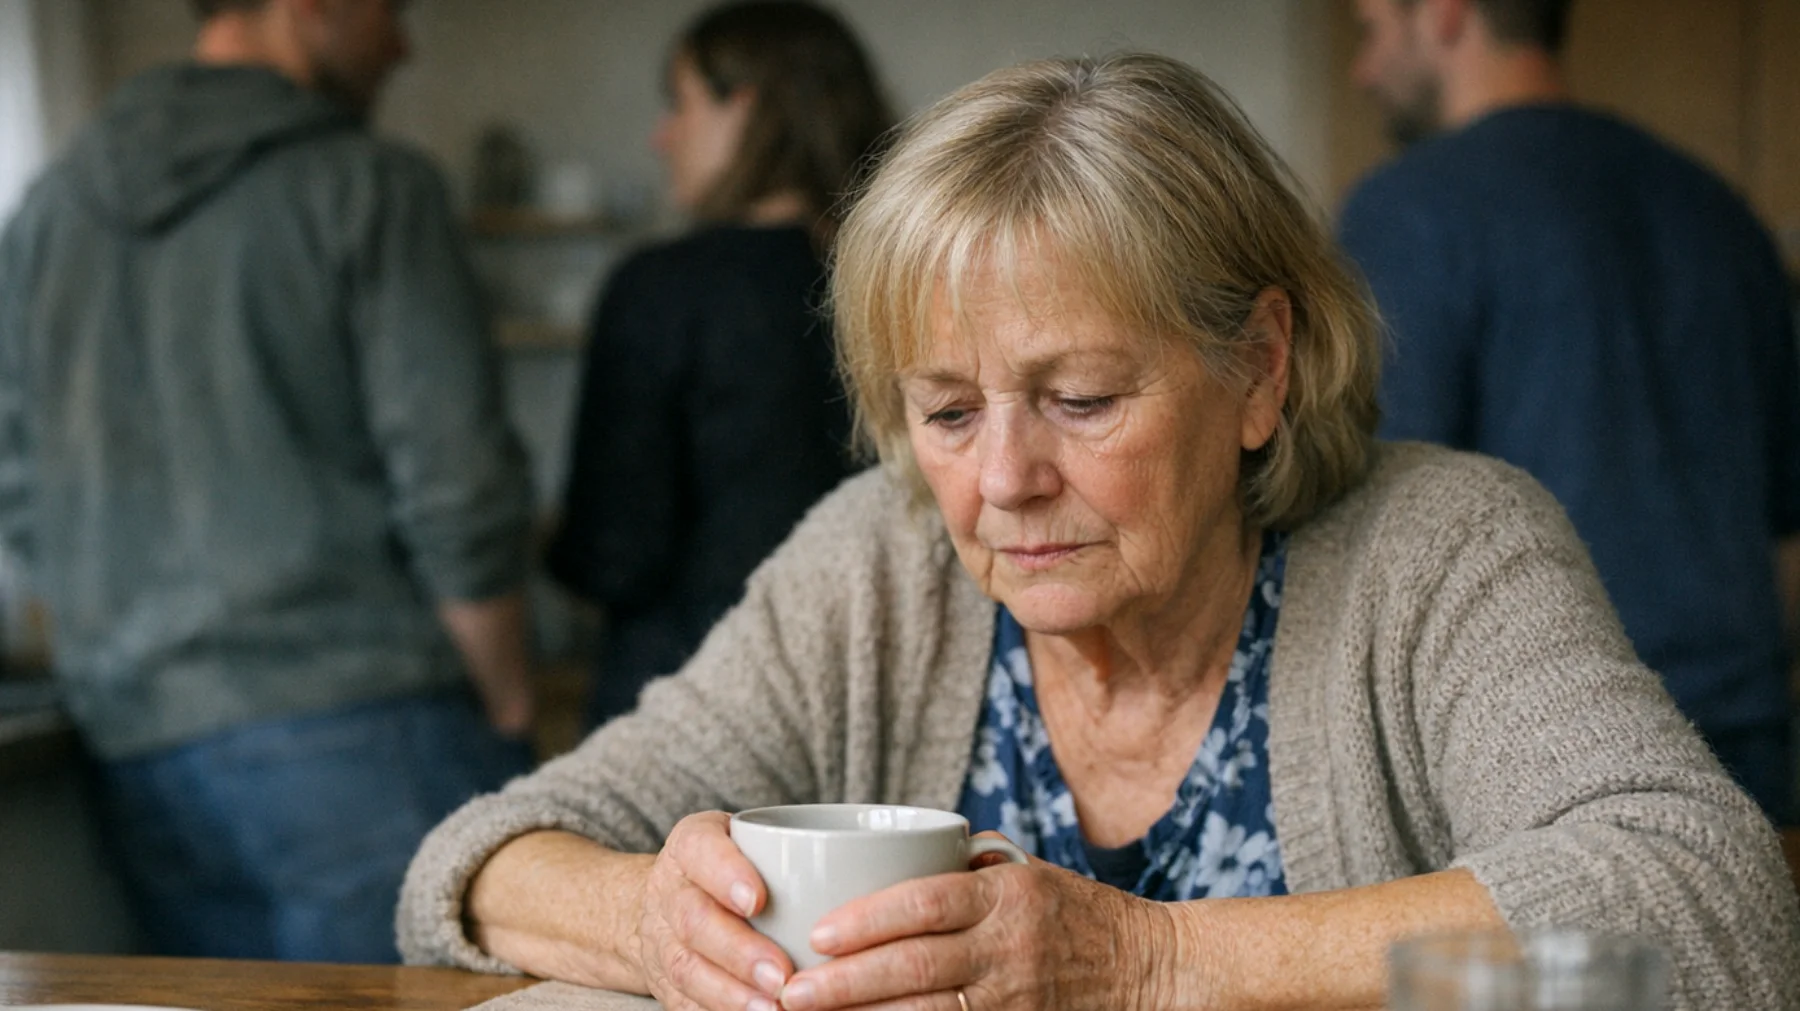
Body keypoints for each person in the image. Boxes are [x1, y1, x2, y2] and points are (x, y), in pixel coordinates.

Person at [398, 54, 1800, 1009]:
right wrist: (652, 915)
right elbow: (479, 860)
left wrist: (1149, 957)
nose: (1003, 477)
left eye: (1080, 396)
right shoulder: (877, 564)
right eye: (946, 410)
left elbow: (1710, 910)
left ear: (1258, 368)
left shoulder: (1440, 551)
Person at [0, 0, 537, 962]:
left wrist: (102, 638)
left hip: (136, 734)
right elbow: (456, 472)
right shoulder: (370, 185)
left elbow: (18, 479)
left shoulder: (48, 208)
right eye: (390, 12)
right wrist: (505, 691)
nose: (403, 45)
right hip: (363, 721)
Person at [1337, 0, 1800, 824]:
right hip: (1754, 761)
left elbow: (1366, 524)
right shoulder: (1719, 212)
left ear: (1445, 13)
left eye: (1373, 29)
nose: (1363, 69)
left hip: (1548, 763)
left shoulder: (1409, 214)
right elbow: (1785, 507)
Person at [545, 0, 893, 728]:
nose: (661, 133)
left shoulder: (665, 288)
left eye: (680, 103)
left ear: (748, 107)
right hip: (869, 699)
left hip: (684, 709)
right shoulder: (903, 278)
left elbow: (615, 553)